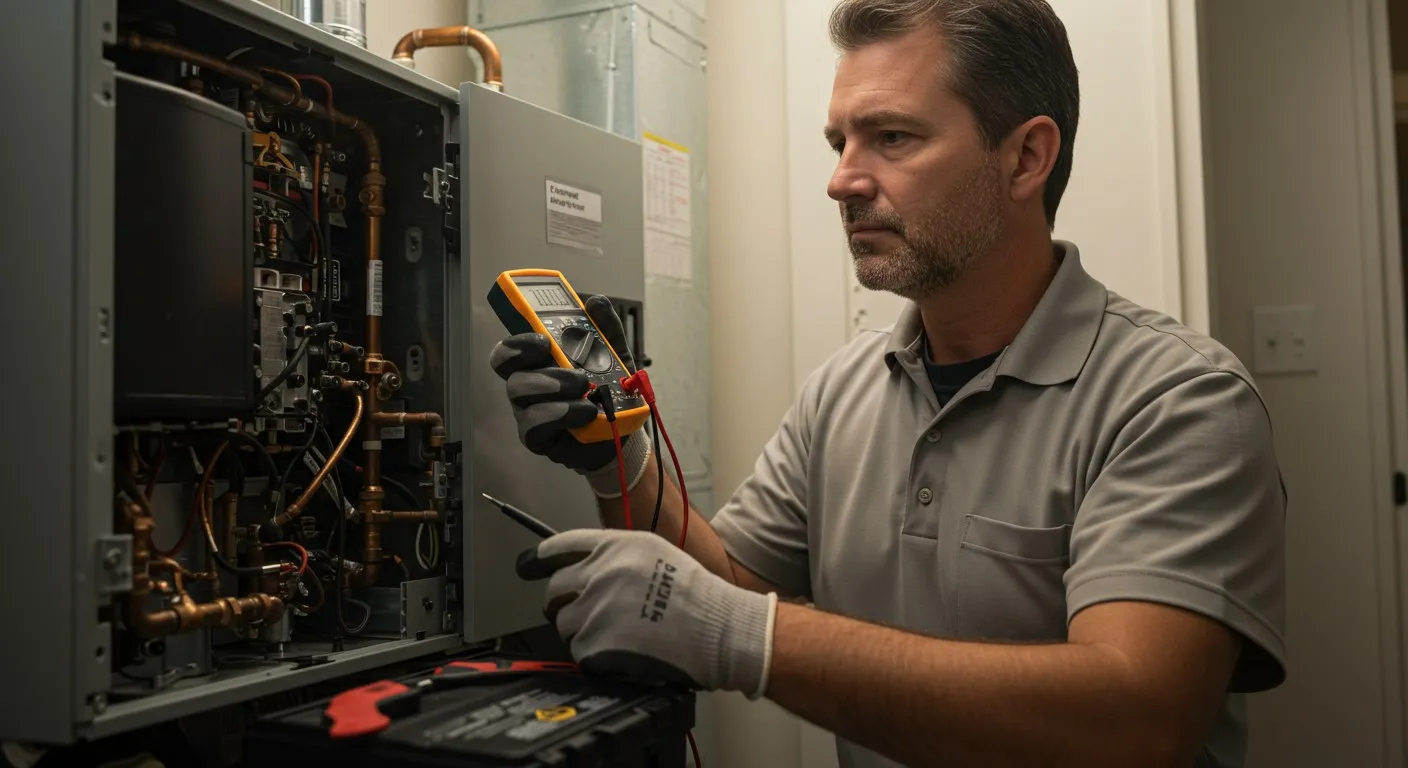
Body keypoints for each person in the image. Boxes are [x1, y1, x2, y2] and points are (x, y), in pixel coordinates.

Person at [489, 0, 1287, 766]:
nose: (843, 181)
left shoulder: (1178, 399)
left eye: (892, 138)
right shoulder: (843, 391)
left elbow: (1135, 728)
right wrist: (618, 458)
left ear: (1025, 158)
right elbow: (722, 582)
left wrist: (745, 637)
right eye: (840, 142)